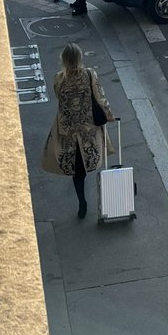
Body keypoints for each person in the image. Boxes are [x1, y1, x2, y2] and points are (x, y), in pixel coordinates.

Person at [41, 43, 114, 218]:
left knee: (77, 170)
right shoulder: (90, 75)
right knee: (89, 157)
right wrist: (109, 115)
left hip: (67, 129)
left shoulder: (59, 78)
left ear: (63, 60)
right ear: (80, 58)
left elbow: (58, 97)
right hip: (87, 128)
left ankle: (82, 202)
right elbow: (101, 98)